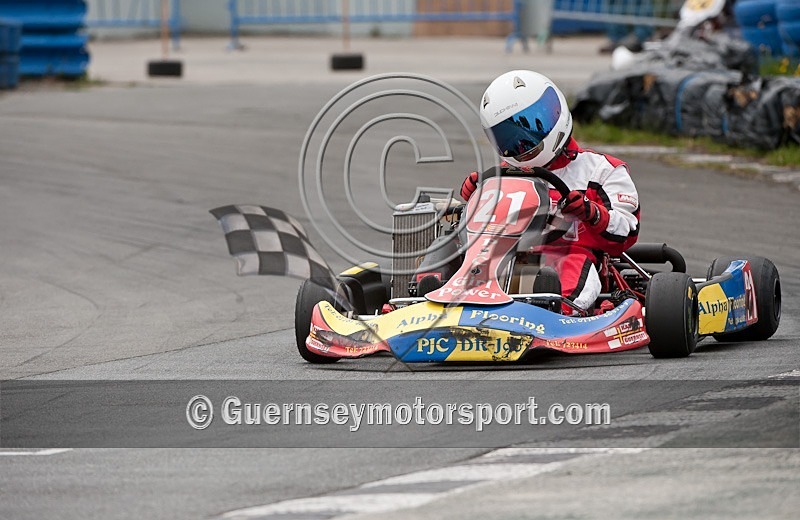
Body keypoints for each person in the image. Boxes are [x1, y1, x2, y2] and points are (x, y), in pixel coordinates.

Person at [460, 70, 640, 311]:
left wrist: (592, 213)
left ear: (555, 113)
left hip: (571, 255)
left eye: (530, 128)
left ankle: (554, 312)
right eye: (509, 137)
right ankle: (431, 300)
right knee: (453, 254)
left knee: (568, 265)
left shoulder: (601, 170)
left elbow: (627, 231)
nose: (521, 145)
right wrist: (474, 200)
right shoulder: (501, 177)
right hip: (502, 259)